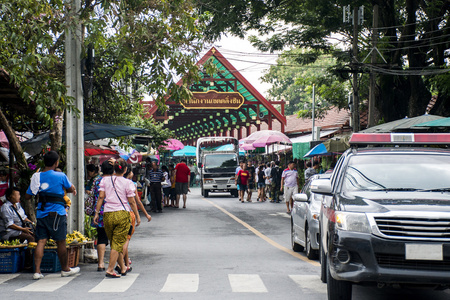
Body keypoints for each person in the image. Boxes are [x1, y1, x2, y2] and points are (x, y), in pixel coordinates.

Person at [25, 151, 79, 280]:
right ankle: (65, 269)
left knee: (41, 241)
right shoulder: (60, 176)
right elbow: (71, 189)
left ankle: (37, 272)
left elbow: (27, 196)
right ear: (56, 163)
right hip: (57, 215)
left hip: (41, 214)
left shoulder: (36, 176)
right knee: (60, 242)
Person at [94, 158, 140, 278]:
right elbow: (132, 202)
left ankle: (123, 268)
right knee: (117, 243)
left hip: (107, 214)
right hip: (122, 214)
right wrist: (138, 216)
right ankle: (110, 269)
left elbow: (100, 197)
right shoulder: (128, 183)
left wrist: (97, 213)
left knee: (115, 242)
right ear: (125, 170)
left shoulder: (105, 180)